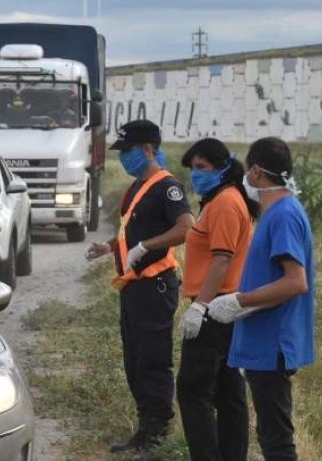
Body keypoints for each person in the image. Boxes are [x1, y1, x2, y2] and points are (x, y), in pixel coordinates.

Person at [85, 119, 194, 454]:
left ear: (149, 149)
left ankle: (157, 433)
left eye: (129, 151)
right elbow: (130, 233)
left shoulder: (167, 187)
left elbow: (186, 228)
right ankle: (145, 428)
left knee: (152, 360)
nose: (124, 158)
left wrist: (147, 246)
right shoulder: (136, 188)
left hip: (155, 286)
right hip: (134, 287)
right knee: (133, 360)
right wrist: (110, 247)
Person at [206, 137, 315, 461]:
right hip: (263, 343)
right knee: (269, 434)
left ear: (255, 171)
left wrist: (239, 301)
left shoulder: (283, 215)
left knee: (277, 441)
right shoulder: (276, 212)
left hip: (274, 343)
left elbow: (296, 282)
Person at [177, 138, 261, 461]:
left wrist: (199, 307)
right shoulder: (222, 198)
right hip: (224, 308)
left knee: (193, 390)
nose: (196, 174)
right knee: (228, 393)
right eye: (192, 168)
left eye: (201, 168)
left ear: (222, 168)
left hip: (215, 308)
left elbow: (222, 260)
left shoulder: (226, 202)